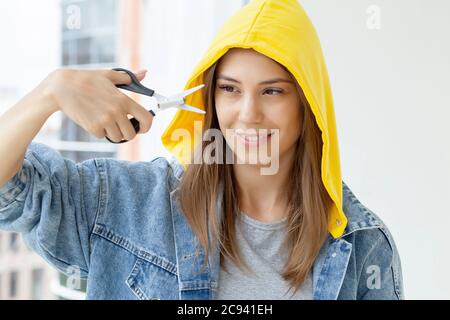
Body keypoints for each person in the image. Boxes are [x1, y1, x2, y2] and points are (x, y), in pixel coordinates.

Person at [0, 0, 403, 300]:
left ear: (309, 106)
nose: (248, 114)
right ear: (210, 98)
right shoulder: (131, 203)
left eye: (273, 91)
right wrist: (49, 94)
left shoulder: (363, 246)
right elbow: (10, 193)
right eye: (230, 89)